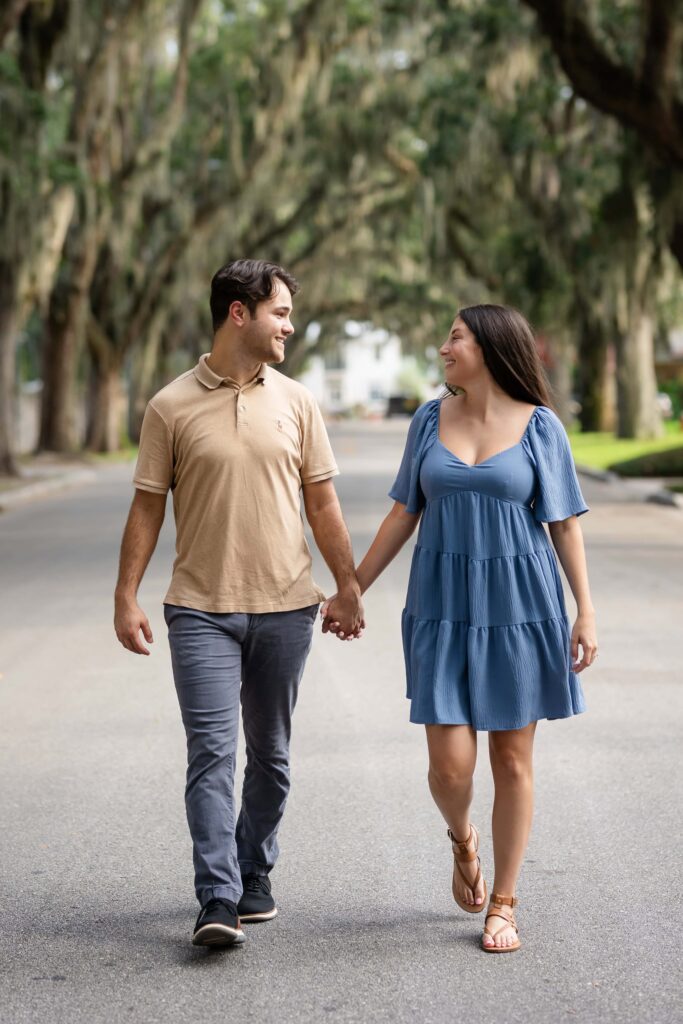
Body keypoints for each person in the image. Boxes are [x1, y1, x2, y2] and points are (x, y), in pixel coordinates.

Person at [323, 303, 597, 953]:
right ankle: (461, 838)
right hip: (441, 606)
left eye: (456, 336)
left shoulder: (540, 428)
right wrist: (351, 587)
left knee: (511, 758)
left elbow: (563, 523)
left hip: (519, 606)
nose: (444, 346)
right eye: (446, 335)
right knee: (449, 769)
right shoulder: (427, 420)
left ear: (491, 347)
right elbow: (399, 515)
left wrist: (584, 608)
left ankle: (503, 902)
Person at [114, 259, 363, 947]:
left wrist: (347, 587)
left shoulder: (298, 403)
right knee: (211, 755)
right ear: (239, 312)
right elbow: (146, 508)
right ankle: (217, 897)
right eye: (279, 312)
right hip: (199, 609)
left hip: (286, 606)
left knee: (272, 756)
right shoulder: (169, 405)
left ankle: (255, 871)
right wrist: (125, 595)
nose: (288, 325)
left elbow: (323, 502)